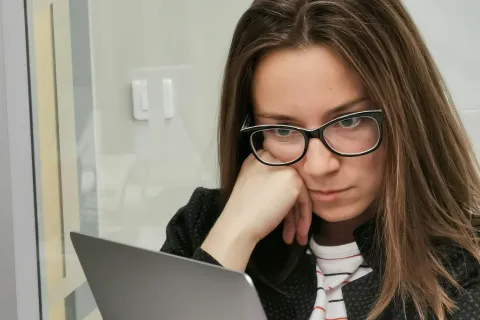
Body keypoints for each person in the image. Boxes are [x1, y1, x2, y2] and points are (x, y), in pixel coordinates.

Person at [161, 0, 480, 319]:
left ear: (406, 115)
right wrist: (233, 235)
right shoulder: (204, 229)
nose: (319, 166)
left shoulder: (467, 266)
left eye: (349, 121)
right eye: (283, 129)